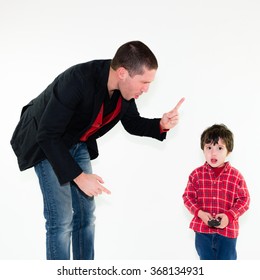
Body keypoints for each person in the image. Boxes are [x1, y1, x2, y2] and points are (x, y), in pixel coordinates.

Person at [10, 40, 185, 260]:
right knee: (61, 220)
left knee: (85, 215)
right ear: (123, 72)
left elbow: (132, 123)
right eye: (144, 82)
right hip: (46, 143)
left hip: (76, 141)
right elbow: (47, 134)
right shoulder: (77, 81)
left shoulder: (124, 91)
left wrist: (161, 124)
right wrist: (79, 176)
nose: (146, 89)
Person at [182, 124, 250, 260]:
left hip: (227, 232)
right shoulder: (196, 175)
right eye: (209, 148)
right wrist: (200, 213)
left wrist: (229, 216)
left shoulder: (236, 176)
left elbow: (244, 200)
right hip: (202, 231)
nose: (213, 153)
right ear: (203, 150)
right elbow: (187, 197)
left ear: (228, 151)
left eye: (219, 148)